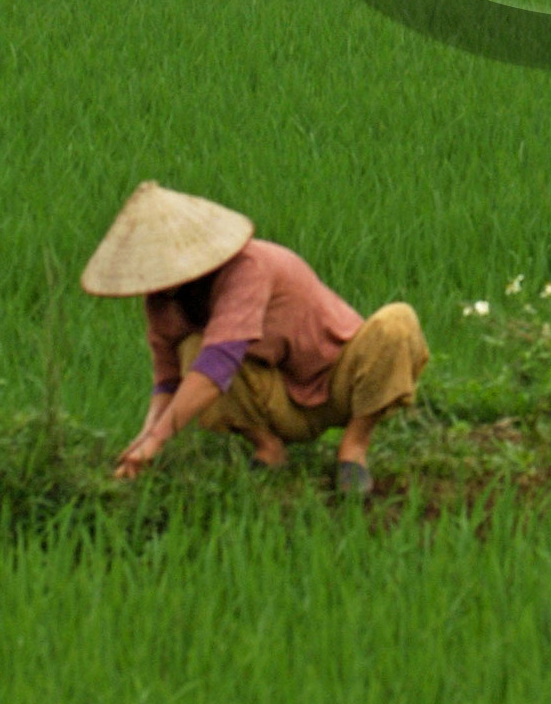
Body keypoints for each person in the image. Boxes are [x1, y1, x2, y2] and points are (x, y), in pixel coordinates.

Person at [82, 181, 429, 495]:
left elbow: (218, 363)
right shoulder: (163, 301)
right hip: (277, 396)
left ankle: (353, 447)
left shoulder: (248, 267)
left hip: (343, 380)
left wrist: (157, 441)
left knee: (396, 322)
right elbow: (168, 381)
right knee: (194, 349)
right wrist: (143, 440)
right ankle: (268, 447)